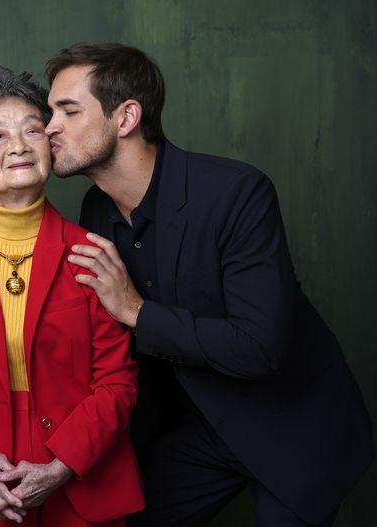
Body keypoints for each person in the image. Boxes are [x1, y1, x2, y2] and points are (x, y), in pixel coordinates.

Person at [40, 43, 373, 526]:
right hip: (198, 429)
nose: (50, 127)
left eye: (67, 111)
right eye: (50, 112)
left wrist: (136, 312)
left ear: (127, 117)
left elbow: (260, 347)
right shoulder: (96, 209)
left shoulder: (237, 192)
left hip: (293, 427)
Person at [0, 66, 144, 527]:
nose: (18, 146)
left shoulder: (92, 254)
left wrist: (61, 464)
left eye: (32, 129)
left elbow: (118, 381)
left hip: (83, 478)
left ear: (50, 145)